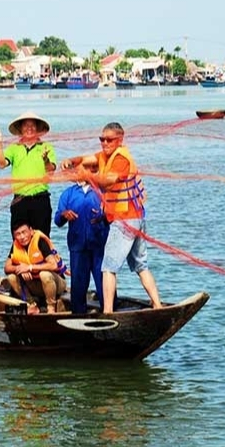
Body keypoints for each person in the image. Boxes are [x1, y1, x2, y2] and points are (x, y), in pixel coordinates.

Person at [60, 122, 162, 314]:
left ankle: (107, 312)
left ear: (120, 139)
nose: (105, 143)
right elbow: (87, 158)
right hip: (135, 218)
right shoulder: (104, 156)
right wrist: (72, 161)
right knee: (141, 265)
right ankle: (157, 304)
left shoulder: (121, 158)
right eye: (102, 139)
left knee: (107, 268)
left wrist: (88, 176)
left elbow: (109, 179)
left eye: (109, 140)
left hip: (125, 220)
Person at [54, 167, 112, 314]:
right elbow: (57, 220)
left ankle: (110, 310)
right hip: (77, 245)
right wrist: (64, 214)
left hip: (99, 244)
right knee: (78, 284)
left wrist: (103, 215)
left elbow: (113, 214)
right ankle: (78, 314)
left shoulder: (101, 191)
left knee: (103, 280)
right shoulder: (69, 194)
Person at [0, 111, 56, 237]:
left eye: (32, 126)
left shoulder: (46, 146)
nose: (29, 129)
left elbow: (51, 169)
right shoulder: (14, 147)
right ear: (20, 128)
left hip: (40, 200)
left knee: (41, 240)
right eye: (25, 125)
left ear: (38, 128)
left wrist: (45, 159)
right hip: (20, 200)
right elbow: (2, 164)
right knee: (19, 240)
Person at [3, 221, 67, 314]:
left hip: (55, 283)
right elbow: (7, 268)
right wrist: (20, 269)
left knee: (44, 274)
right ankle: (31, 304)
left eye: (24, 232)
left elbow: (53, 265)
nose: (22, 237)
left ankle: (51, 307)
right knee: (11, 277)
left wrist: (30, 267)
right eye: (18, 234)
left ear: (31, 231)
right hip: (34, 285)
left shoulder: (40, 242)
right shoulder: (15, 245)